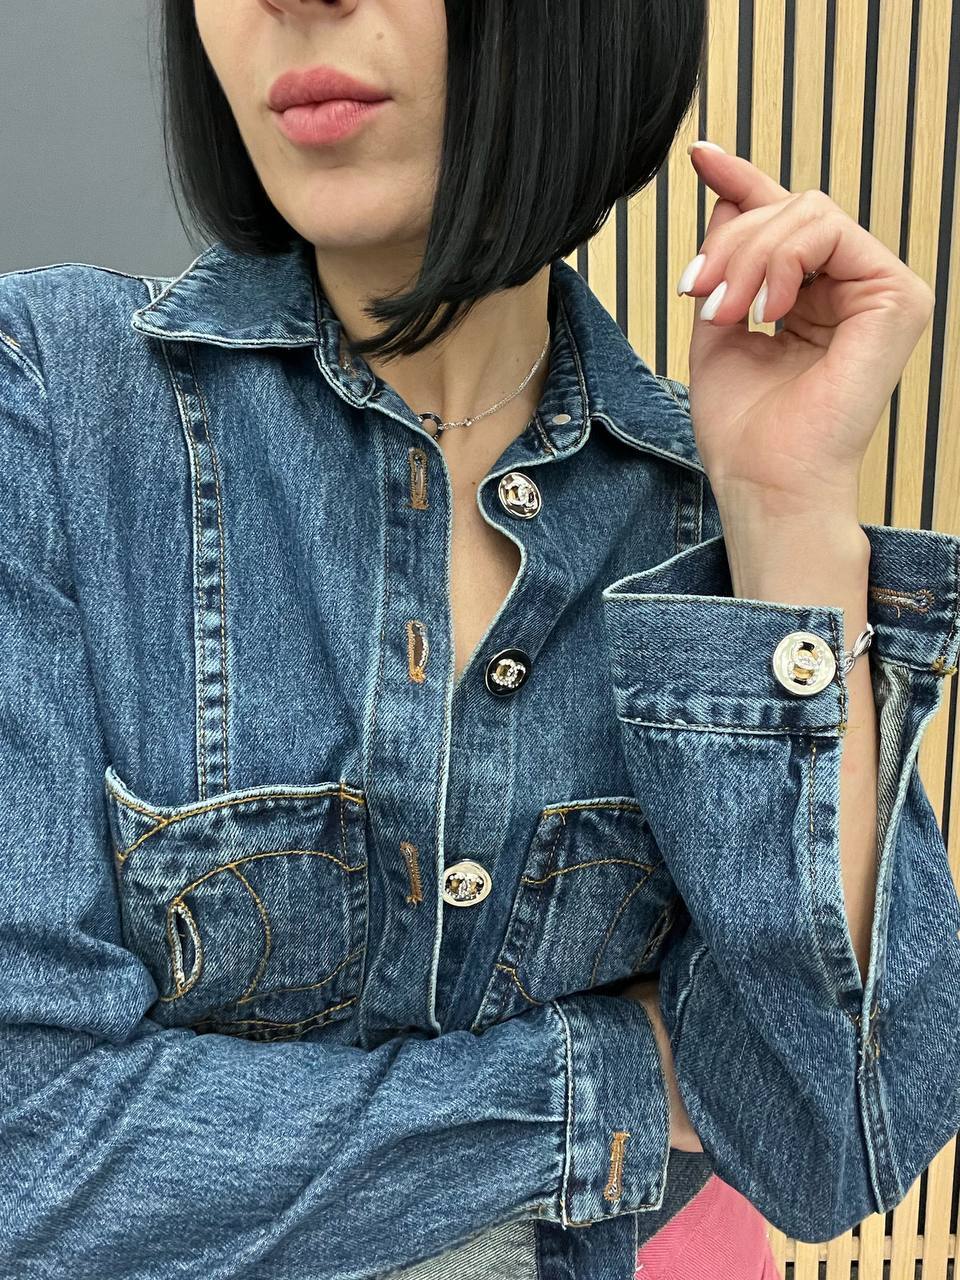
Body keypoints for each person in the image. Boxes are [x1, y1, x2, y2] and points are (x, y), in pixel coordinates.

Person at [1, 2, 958, 1277]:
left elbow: (837, 1135)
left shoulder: (700, 512)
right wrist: (620, 1076)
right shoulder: (48, 408)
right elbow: (28, 1151)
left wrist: (787, 518)